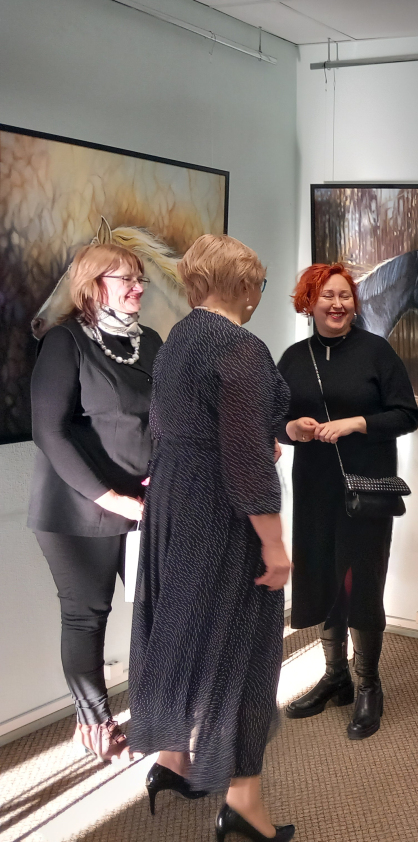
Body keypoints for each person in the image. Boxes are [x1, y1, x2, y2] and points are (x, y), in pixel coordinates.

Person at [128, 235, 295, 842]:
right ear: (245, 285)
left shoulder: (178, 339)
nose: (259, 295)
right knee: (247, 650)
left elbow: (185, 425)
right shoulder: (240, 346)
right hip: (221, 514)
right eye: (260, 284)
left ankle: (173, 759)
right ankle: (243, 802)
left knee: (177, 627)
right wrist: (274, 545)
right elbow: (247, 462)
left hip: (174, 504)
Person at [27, 243, 160, 763]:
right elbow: (50, 432)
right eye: (125, 278)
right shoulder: (65, 342)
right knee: (87, 616)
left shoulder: (150, 341)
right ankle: (95, 722)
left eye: (140, 278)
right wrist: (112, 498)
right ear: (91, 285)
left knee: (157, 606)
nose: (138, 287)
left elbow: (163, 418)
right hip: (77, 508)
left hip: (141, 505)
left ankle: (159, 709)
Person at [277, 262, 418, 739]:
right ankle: (335, 676)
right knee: (323, 577)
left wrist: (357, 423)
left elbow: (407, 415)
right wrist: (292, 429)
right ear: (309, 303)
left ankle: (368, 685)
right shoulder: (293, 358)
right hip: (315, 489)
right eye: (327, 296)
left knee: (362, 581)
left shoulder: (377, 352)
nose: (338, 304)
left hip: (367, 488)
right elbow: (274, 421)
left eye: (345, 295)